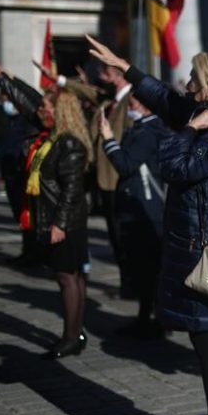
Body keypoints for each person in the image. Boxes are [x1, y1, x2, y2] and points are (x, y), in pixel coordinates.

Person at [88, 35, 208, 415]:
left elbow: (173, 167)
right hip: (200, 243)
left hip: (202, 248)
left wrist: (187, 130)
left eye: (193, 76)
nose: (186, 81)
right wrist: (126, 67)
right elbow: (163, 99)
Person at [0, 52, 92, 359]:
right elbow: (28, 102)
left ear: (61, 112)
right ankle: (76, 332)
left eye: (47, 107)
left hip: (66, 220)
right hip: (65, 218)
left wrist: (58, 224)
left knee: (67, 277)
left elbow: (71, 190)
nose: (41, 109)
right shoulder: (52, 133)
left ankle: (71, 336)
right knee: (73, 276)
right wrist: (2, 77)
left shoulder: (67, 141)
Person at [100, 96, 171, 338]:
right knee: (141, 265)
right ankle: (145, 317)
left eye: (132, 105)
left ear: (146, 106)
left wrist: (108, 139)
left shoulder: (150, 132)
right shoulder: (142, 129)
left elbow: (126, 165)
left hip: (146, 206)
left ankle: (156, 321)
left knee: (149, 265)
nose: (129, 109)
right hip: (137, 205)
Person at [90, 63, 134, 298]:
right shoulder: (110, 101)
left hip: (119, 177)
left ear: (117, 78)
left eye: (105, 75)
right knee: (115, 237)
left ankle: (131, 285)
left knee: (123, 236)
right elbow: (87, 91)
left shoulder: (130, 101)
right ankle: (127, 282)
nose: (101, 80)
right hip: (105, 177)